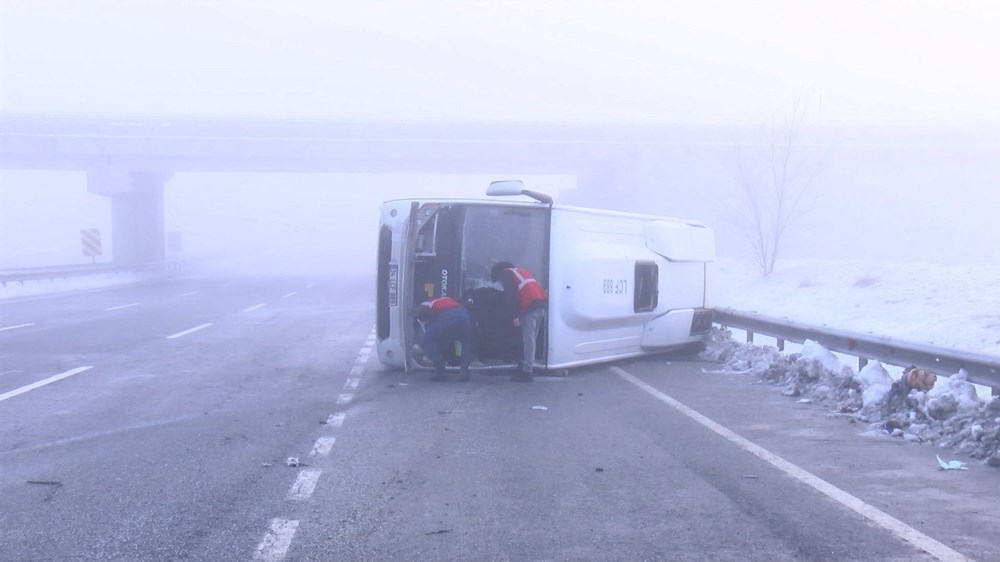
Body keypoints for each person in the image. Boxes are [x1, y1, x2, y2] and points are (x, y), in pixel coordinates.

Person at [491, 261, 547, 382]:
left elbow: (512, 295)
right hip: (540, 305)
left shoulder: (506, 274)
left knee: (528, 340)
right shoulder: (522, 272)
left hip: (530, 307)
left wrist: (515, 316)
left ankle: (527, 372)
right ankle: (528, 365)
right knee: (532, 339)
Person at [416, 295, 473, 382]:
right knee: (465, 341)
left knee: (426, 341)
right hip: (464, 314)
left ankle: (441, 371)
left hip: (448, 315)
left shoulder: (425, 304)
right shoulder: (448, 299)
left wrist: (429, 325)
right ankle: (464, 371)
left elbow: (423, 314)